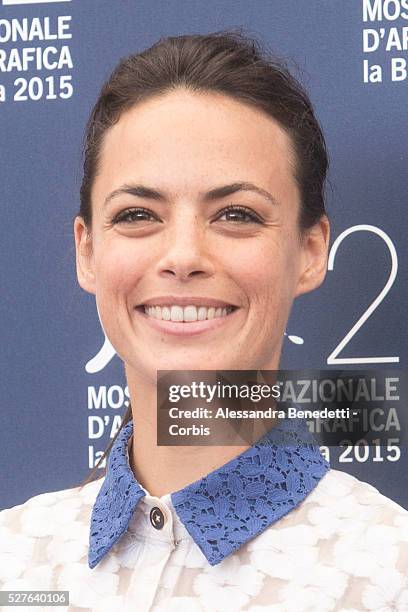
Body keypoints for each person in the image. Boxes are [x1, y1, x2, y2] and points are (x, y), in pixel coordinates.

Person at [1, 30, 407, 612]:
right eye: (138, 214)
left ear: (312, 250)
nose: (184, 256)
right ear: (87, 251)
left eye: (236, 214)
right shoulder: (15, 564)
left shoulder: (388, 575)